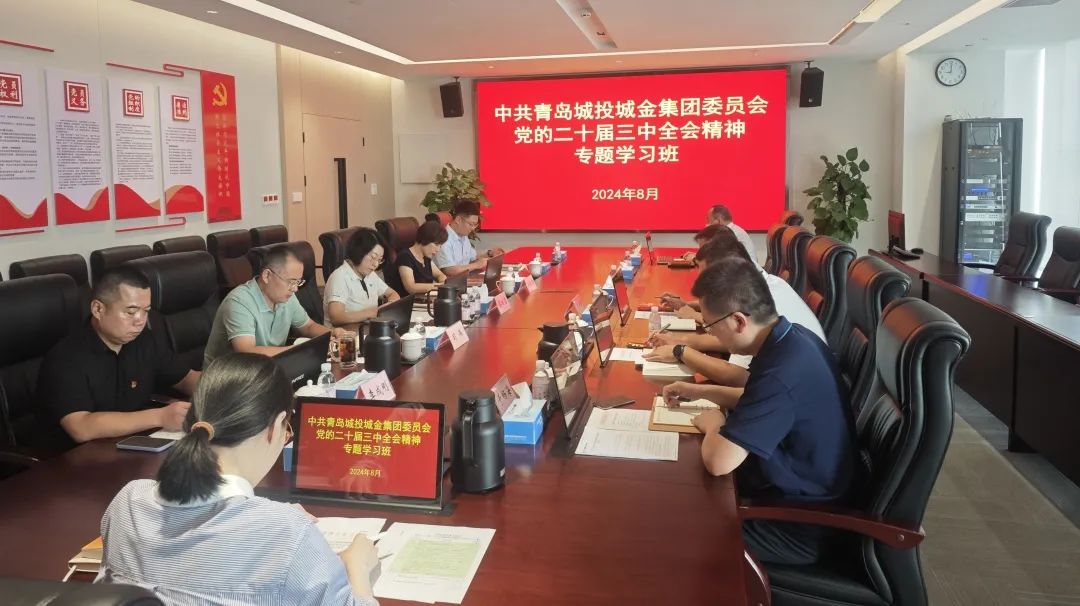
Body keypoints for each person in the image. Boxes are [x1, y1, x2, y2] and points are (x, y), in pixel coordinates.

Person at [96, 353, 379, 605]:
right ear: (275, 426)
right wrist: (357, 565)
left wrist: (271, 517)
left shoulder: (128, 502)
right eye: (287, 430)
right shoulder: (287, 533)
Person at [661, 258, 857, 565]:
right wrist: (699, 391)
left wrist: (713, 424)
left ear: (739, 321)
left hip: (799, 524)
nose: (712, 335)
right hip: (804, 497)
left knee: (680, 528)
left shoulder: (782, 371)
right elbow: (757, 399)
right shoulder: (792, 339)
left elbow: (719, 461)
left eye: (711, 326)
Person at [37, 267, 199, 451]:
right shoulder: (66, 358)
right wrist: (160, 417)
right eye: (131, 312)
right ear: (98, 309)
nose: (140, 320)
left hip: (132, 444)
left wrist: (220, 387)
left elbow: (186, 378)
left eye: (146, 311)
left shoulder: (144, 340)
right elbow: (80, 427)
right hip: (77, 458)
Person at [647, 226, 825, 386]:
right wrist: (683, 339)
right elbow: (732, 341)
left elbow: (738, 376)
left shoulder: (760, 304)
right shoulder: (761, 284)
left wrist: (681, 351)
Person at [204, 248, 339, 366]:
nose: (295, 289)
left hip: (268, 368)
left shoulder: (287, 296)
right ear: (267, 275)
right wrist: (299, 351)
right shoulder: (239, 302)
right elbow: (247, 352)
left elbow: (308, 326)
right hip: (227, 376)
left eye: (298, 282)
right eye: (291, 281)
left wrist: (333, 334)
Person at [324, 228, 400, 329]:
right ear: (358, 252)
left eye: (379, 260)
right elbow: (337, 317)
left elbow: (392, 294)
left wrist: (387, 307)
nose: (375, 264)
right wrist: (373, 313)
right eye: (373, 257)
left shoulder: (370, 274)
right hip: (345, 335)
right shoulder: (340, 277)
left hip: (369, 330)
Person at [434, 199, 505, 277]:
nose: (473, 228)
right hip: (451, 282)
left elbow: (472, 259)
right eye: (471, 224)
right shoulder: (444, 239)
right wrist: (477, 265)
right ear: (458, 220)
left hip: (465, 278)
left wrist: (489, 254)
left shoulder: (463, 236)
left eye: (475, 225)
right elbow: (450, 270)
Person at [390, 220, 448, 296]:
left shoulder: (426, 257)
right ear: (425, 239)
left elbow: (440, 275)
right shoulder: (405, 257)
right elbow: (411, 287)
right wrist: (439, 286)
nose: (438, 249)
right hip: (408, 301)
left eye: (440, 246)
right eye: (436, 245)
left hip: (424, 299)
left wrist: (443, 281)